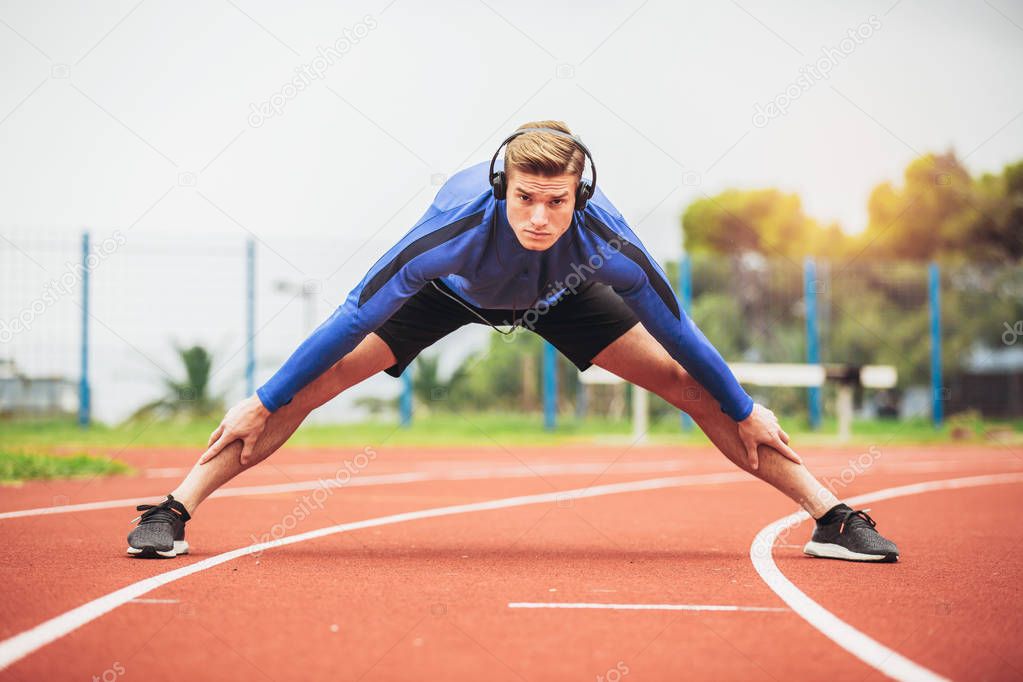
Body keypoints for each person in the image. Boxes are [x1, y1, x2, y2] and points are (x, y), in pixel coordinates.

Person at [127, 121, 898, 563]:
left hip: (561, 294)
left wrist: (744, 406)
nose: (538, 216)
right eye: (525, 199)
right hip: (450, 294)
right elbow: (353, 317)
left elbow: (681, 334)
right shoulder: (449, 233)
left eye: (555, 201)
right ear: (503, 190)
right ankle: (174, 508)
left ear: (579, 197)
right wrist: (262, 398)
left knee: (692, 388)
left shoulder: (607, 245)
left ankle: (830, 516)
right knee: (307, 385)